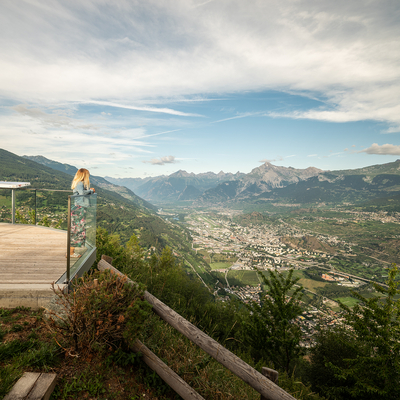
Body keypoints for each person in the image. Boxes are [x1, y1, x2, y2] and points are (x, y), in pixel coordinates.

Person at [69, 168, 95, 257]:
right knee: (77, 230)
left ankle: (71, 252)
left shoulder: (78, 183)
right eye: (88, 175)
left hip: (78, 208)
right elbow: (82, 193)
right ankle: (71, 253)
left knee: (77, 230)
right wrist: (92, 191)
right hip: (79, 208)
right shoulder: (80, 183)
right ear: (84, 176)